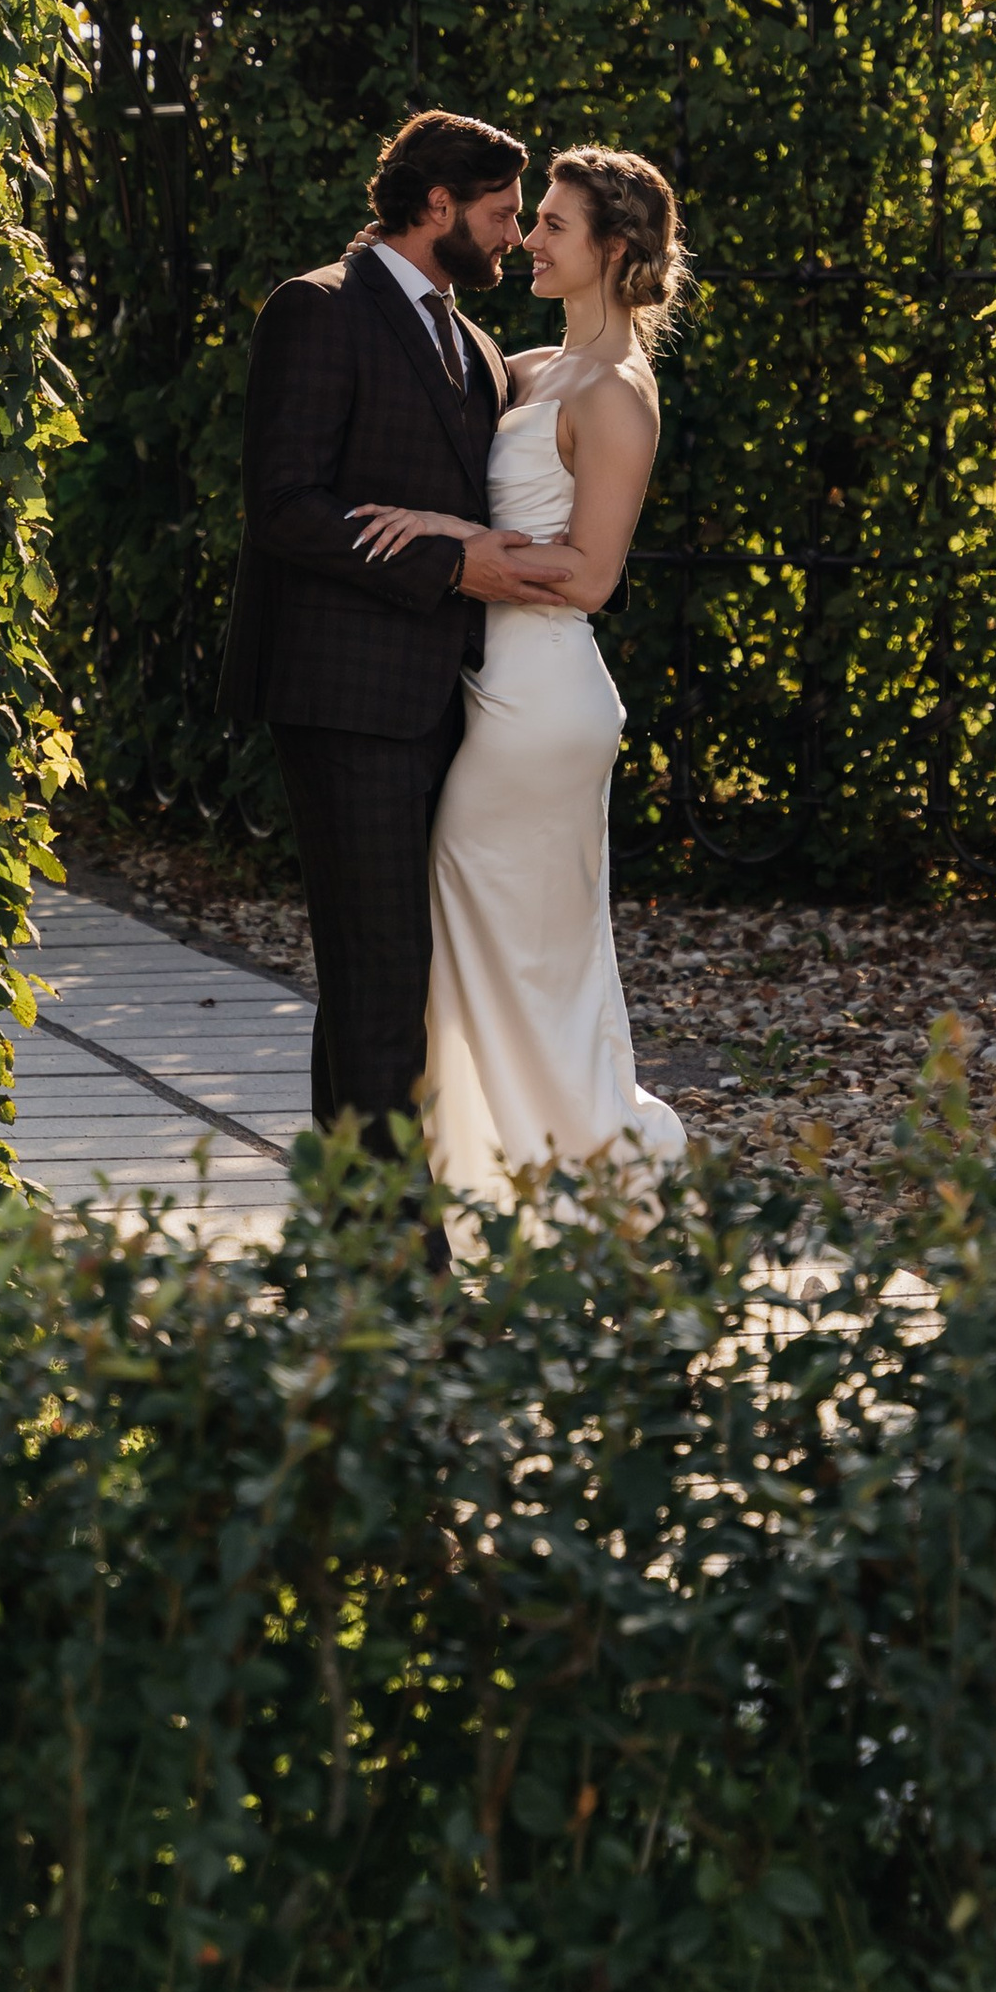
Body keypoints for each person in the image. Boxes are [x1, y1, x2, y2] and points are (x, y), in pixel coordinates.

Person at [217, 109, 571, 1146]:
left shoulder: (472, 338)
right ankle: (389, 1257)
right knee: (379, 976)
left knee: (394, 976)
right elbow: (282, 504)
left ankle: (350, 1232)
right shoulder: (316, 309)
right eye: (502, 215)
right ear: (437, 206)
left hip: (446, 699)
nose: (513, 236)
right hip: (344, 699)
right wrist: (449, 561)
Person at [349, 145, 690, 1212]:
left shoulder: (618, 396)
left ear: (613, 249)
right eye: (530, 218)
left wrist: (454, 536)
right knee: (500, 956)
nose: (527, 239)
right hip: (495, 689)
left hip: (544, 706)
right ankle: (536, 1188)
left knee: (532, 967)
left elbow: (591, 579)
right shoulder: (532, 366)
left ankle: (607, 1193)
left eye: (552, 224)